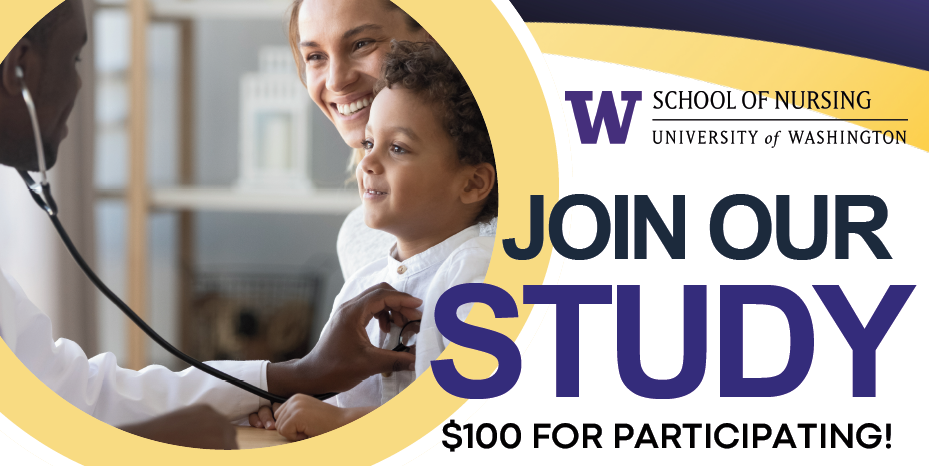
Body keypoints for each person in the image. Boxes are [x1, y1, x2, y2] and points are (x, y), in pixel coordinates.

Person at [0, 0, 423, 449]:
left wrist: (304, 377)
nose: (336, 80)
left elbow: (73, 392)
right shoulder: (362, 237)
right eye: (76, 58)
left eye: (362, 43)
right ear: (18, 73)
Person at [273, 40, 496, 440]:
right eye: (369, 143)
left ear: (473, 182)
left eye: (398, 148)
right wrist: (294, 408)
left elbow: (472, 424)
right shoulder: (362, 288)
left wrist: (342, 424)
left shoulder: (477, 275)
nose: (369, 163)